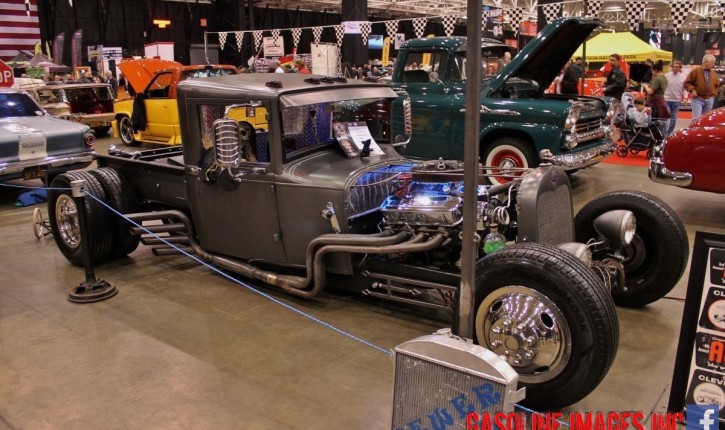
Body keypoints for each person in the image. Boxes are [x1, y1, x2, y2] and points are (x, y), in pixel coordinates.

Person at [684, 54, 721, 120]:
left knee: (705, 119)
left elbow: (717, 84)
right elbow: (687, 83)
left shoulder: (713, 72)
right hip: (697, 99)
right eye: (712, 63)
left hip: (709, 99)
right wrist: (692, 90)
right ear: (705, 62)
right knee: (696, 119)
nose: (713, 65)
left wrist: (714, 93)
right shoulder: (695, 71)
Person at [642, 61, 669, 132]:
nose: (652, 72)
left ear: (656, 70)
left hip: (655, 104)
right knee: (660, 123)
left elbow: (650, 91)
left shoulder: (657, 79)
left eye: (652, 71)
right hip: (661, 102)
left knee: (654, 123)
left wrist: (645, 86)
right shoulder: (664, 78)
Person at [664, 61, 686, 134]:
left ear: (680, 68)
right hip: (666, 99)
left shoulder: (683, 77)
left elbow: (685, 89)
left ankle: (669, 133)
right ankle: (664, 131)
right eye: (673, 66)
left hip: (677, 100)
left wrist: (685, 97)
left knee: (674, 117)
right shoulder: (666, 76)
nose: (675, 68)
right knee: (667, 116)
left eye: (677, 67)